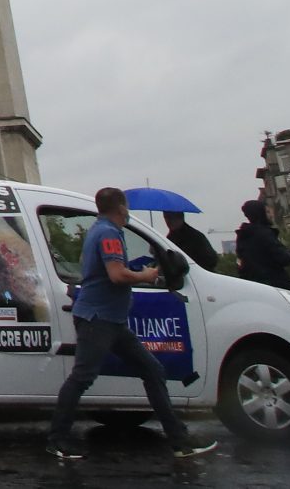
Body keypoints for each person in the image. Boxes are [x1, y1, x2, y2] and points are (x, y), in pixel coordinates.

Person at [49, 186, 214, 460]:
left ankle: (179, 440)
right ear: (121, 208)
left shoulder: (99, 231)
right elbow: (116, 275)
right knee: (82, 377)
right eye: (126, 207)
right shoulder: (109, 234)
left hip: (109, 319)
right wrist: (146, 276)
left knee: (152, 369)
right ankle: (57, 439)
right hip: (98, 319)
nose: (127, 212)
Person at [235, 199, 290, 290]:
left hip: (254, 286)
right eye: (267, 212)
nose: (271, 215)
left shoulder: (243, 236)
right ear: (260, 214)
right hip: (275, 285)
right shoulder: (265, 234)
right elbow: (283, 257)